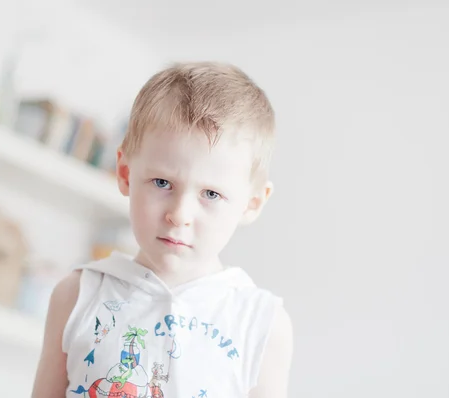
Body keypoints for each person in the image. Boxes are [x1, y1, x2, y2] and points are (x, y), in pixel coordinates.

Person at [31, 62, 293, 398]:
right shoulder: (77, 295)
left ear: (252, 203)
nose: (179, 214)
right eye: (162, 182)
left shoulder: (262, 326)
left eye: (211, 194)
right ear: (125, 174)